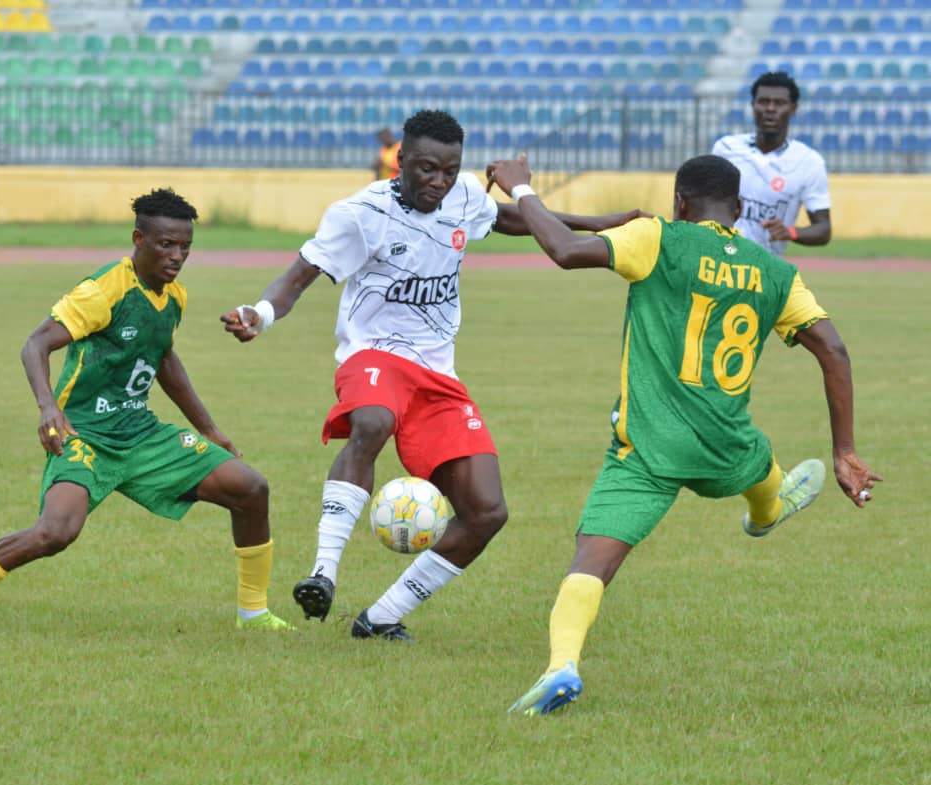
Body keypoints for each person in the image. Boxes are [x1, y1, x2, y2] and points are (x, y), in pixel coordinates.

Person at [221, 109, 644, 642]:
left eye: (449, 170)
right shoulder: (359, 214)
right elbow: (298, 276)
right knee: (371, 423)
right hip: (374, 356)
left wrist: (598, 223)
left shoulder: (465, 196)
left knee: (486, 512)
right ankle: (323, 572)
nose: (438, 183)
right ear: (401, 161)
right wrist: (259, 315)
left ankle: (379, 619)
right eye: (426, 170)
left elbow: (506, 219)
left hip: (437, 374)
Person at [483, 153, 880, 714]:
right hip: (726, 445)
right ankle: (768, 510)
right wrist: (844, 450)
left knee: (591, 561)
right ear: (739, 212)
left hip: (647, 447)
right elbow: (833, 349)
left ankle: (561, 667)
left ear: (679, 203)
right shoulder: (776, 272)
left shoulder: (658, 238)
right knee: (759, 462)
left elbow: (565, 252)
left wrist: (523, 188)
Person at [0, 188, 293, 639]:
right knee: (55, 533)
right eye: (166, 245)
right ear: (139, 239)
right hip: (84, 434)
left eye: (185, 247)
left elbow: (162, 357)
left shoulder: (174, 297)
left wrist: (210, 430)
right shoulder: (103, 290)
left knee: (251, 489)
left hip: (141, 433)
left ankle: (253, 614)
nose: (177, 256)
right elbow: (36, 344)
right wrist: (48, 408)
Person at [712, 71, 831, 255]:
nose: (770, 108)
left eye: (780, 103)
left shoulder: (809, 162)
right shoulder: (726, 149)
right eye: (763, 101)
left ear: (793, 109)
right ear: (753, 105)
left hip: (765, 269)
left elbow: (823, 229)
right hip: (720, 259)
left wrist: (790, 232)